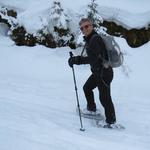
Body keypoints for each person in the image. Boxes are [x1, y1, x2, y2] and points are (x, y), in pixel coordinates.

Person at [68, 18, 116, 125]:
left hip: (104, 73)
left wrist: (76, 60)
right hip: (98, 72)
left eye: (86, 26)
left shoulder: (95, 39)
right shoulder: (90, 39)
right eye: (82, 28)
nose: (84, 29)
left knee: (105, 99)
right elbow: (93, 57)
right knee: (87, 88)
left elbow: (92, 59)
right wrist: (76, 59)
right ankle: (92, 109)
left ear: (91, 26)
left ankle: (111, 122)